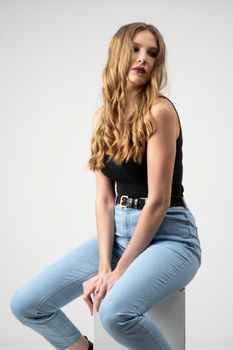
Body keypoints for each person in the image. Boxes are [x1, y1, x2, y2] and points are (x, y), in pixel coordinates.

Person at [10, 22, 202, 350]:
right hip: (118, 236)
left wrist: (119, 271)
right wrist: (103, 267)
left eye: (152, 53)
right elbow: (104, 200)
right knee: (27, 304)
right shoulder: (102, 117)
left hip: (170, 237)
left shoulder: (160, 111)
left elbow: (158, 200)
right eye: (136, 49)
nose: (144, 58)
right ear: (117, 53)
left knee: (114, 313)